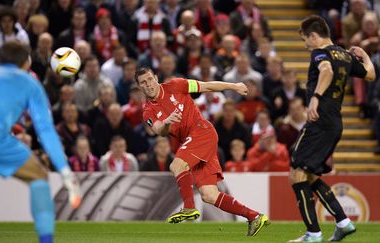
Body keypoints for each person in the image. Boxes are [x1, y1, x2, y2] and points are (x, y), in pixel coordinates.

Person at [0, 42, 81, 243]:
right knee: (38, 177)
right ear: (27, 62)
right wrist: (64, 170)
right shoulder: (28, 82)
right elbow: (44, 129)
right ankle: (46, 241)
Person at [136, 66, 269, 236]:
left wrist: (234, 86)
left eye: (149, 79)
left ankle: (189, 208)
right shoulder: (148, 110)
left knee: (176, 166)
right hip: (193, 143)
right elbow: (159, 130)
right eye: (143, 83)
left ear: (155, 77)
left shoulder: (177, 85)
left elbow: (207, 86)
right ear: (140, 87)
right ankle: (254, 216)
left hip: (201, 130)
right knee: (209, 195)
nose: (148, 85)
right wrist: (167, 122)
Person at [288, 15, 375, 242]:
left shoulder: (320, 53)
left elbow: (325, 70)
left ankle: (313, 234)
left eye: (306, 39)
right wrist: (365, 56)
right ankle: (343, 223)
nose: (305, 44)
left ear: (314, 36)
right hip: (335, 123)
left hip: (319, 121)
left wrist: (315, 97)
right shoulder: (344, 54)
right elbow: (370, 74)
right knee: (310, 174)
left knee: (296, 173)